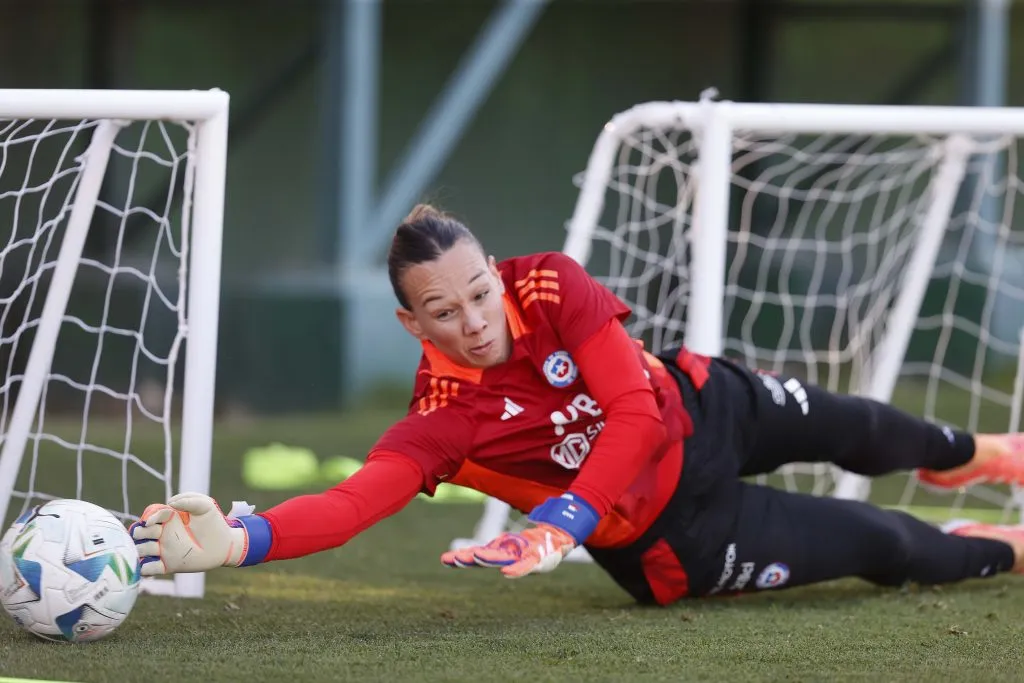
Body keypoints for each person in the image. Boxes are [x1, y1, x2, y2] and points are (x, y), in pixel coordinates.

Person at [129, 204, 1024, 605]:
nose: (476, 320)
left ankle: (977, 454)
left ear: (494, 269)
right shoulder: (442, 417)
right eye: (445, 311)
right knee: (888, 544)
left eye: (480, 291)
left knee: (873, 426)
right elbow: (355, 503)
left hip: (706, 407)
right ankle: (1002, 547)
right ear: (411, 323)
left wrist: (560, 521)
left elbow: (634, 411)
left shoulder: (552, 284)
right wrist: (243, 539)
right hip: (679, 534)